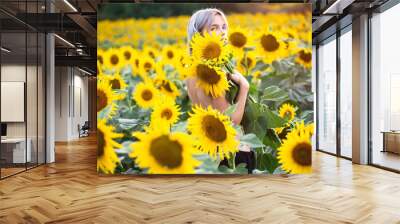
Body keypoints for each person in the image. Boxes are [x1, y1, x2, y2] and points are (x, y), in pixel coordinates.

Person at [186, 8, 255, 173]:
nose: (222, 32)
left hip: (211, 149)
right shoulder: (214, 74)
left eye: (224, 27)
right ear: (199, 35)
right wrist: (244, 87)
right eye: (213, 28)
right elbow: (230, 122)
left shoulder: (192, 70)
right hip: (232, 154)